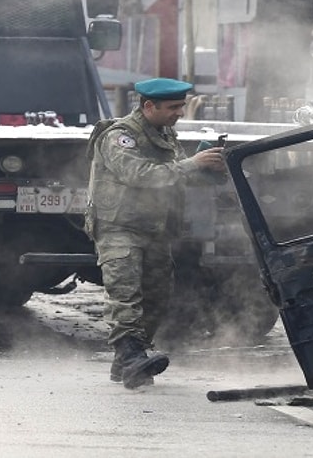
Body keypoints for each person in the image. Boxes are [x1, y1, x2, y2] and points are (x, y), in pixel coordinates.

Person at [85, 77, 226, 389]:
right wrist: (192, 163)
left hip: (156, 228)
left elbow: (172, 178)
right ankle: (132, 355)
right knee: (126, 292)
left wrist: (208, 170)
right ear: (149, 106)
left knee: (157, 297)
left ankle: (127, 363)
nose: (180, 113)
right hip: (119, 226)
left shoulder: (165, 135)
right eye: (173, 107)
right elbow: (140, 175)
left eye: (181, 106)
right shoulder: (120, 136)